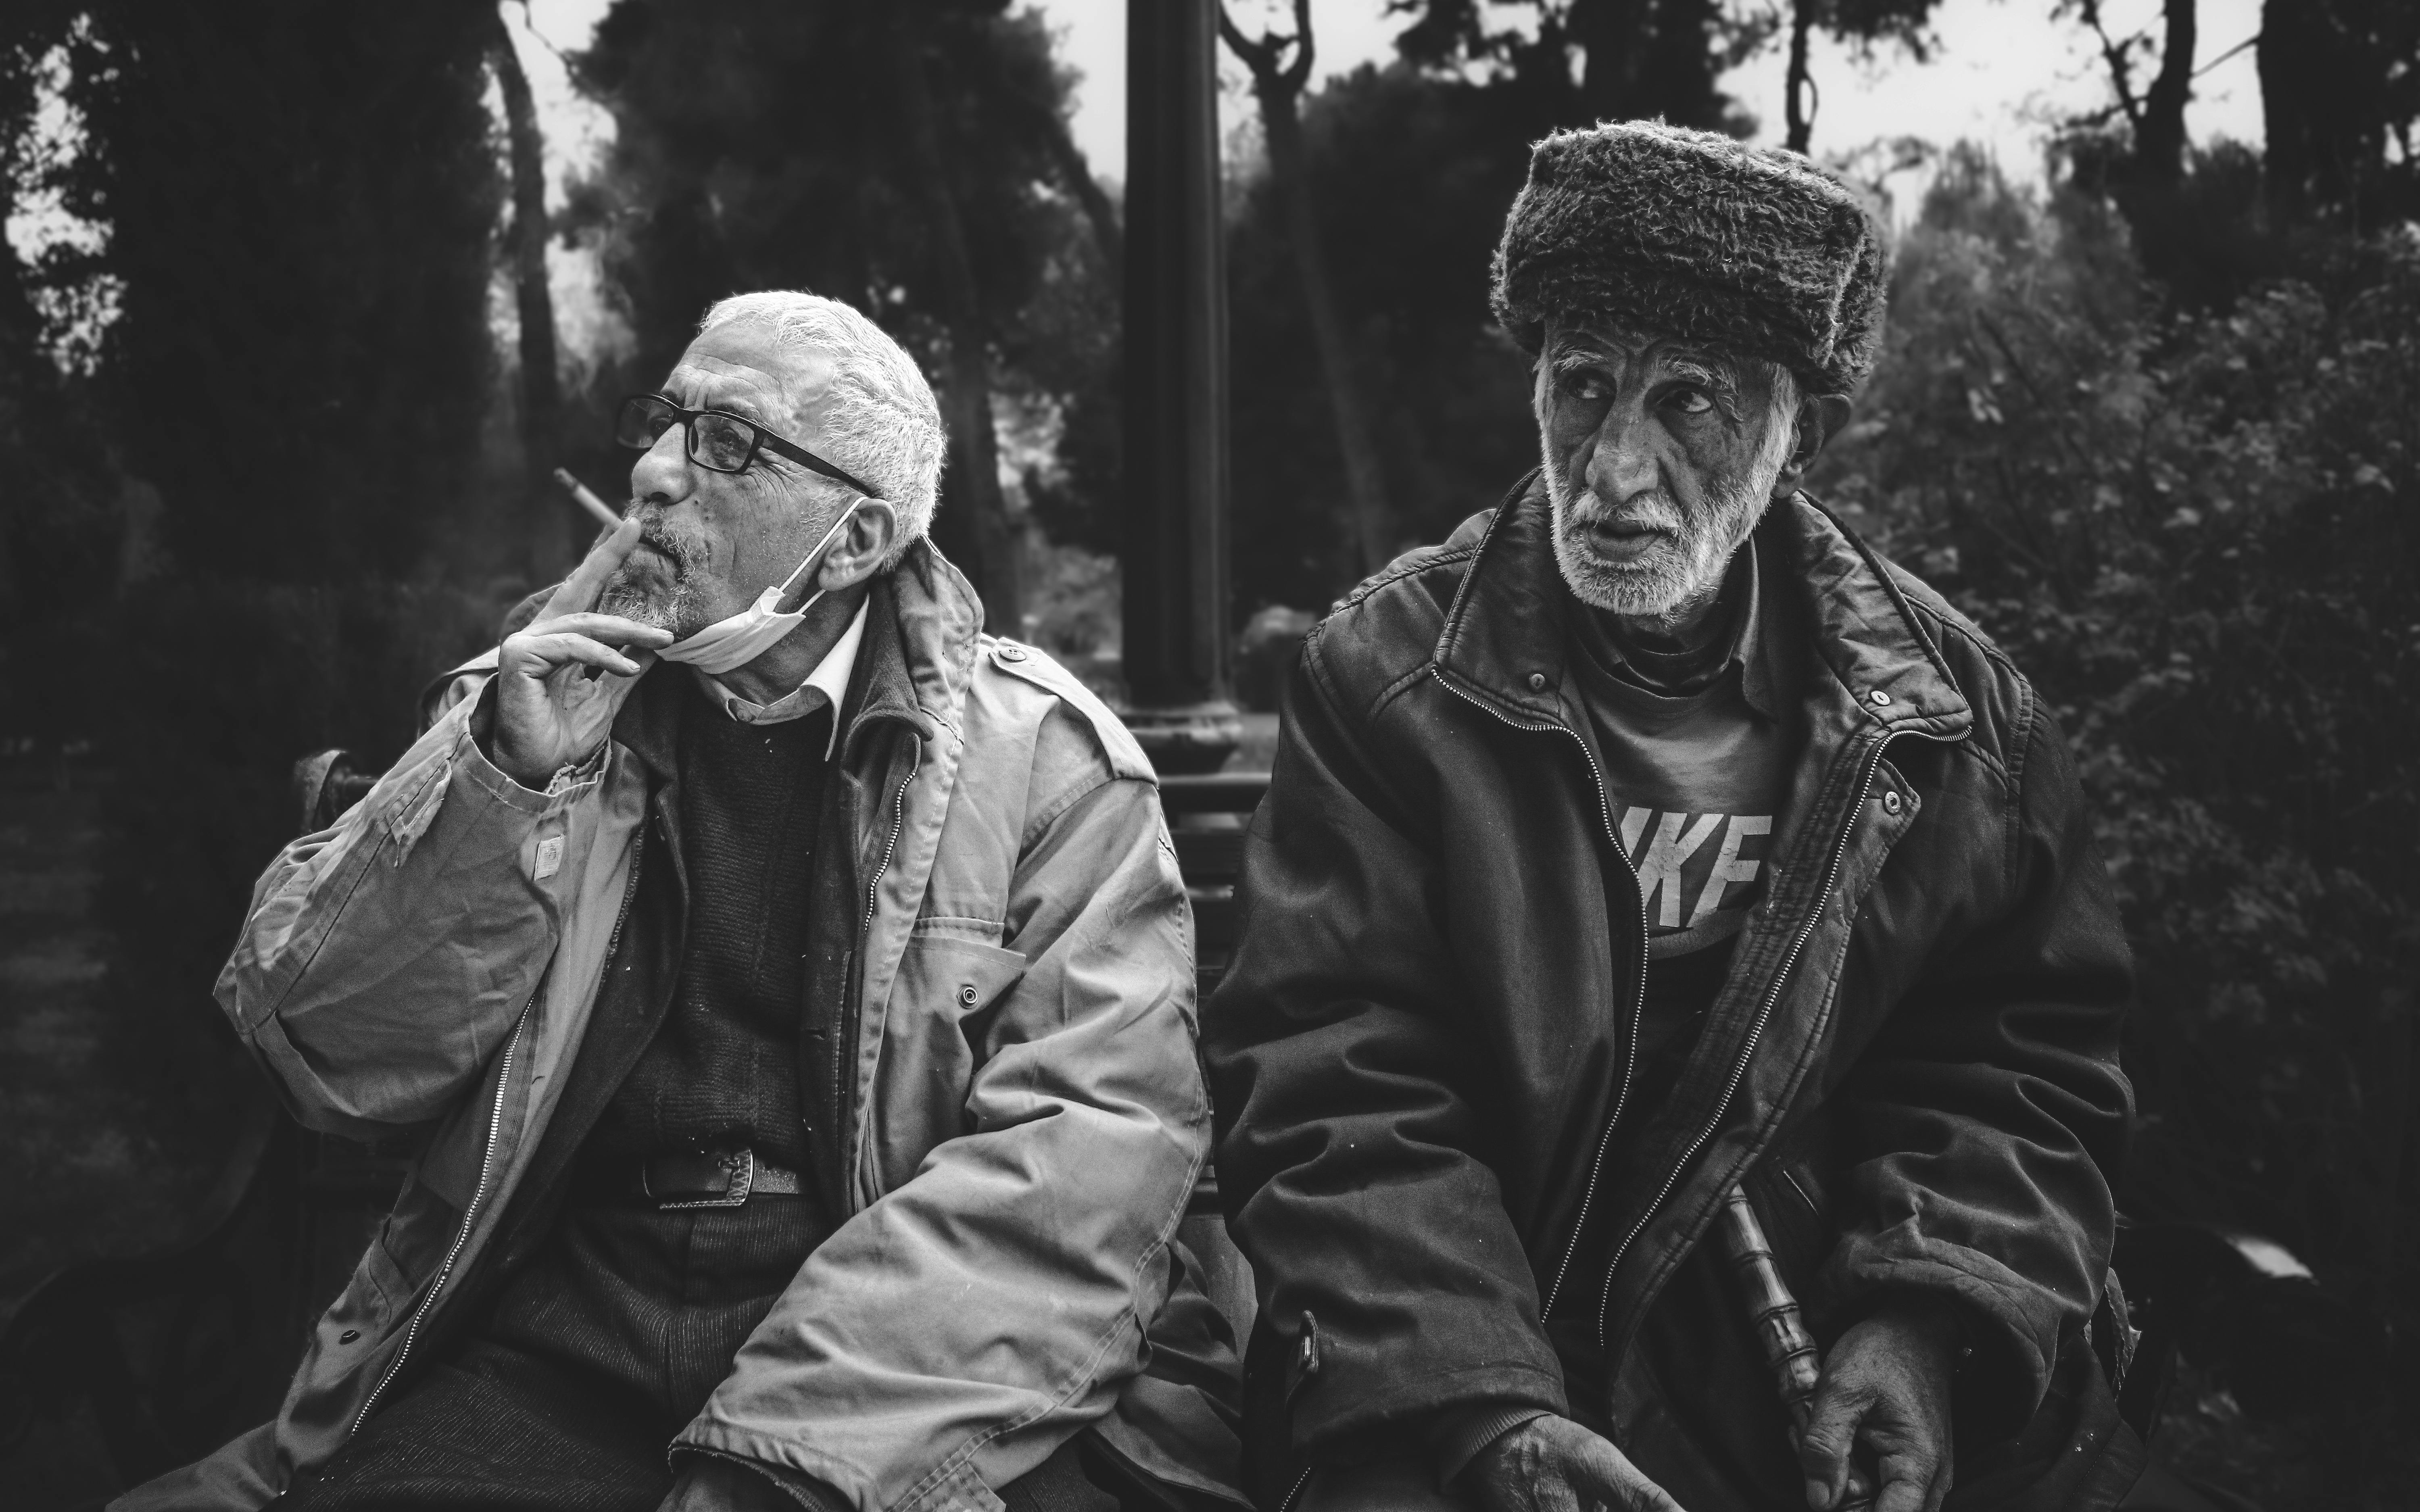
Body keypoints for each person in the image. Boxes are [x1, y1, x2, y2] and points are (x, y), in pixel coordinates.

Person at [119, 292, 1241, 1512]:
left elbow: (1076, 1177)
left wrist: (780, 1464)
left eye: (730, 443)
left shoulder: (1049, 769)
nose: (655, 472)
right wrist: (504, 780)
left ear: (855, 542)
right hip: (560, 1359)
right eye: (666, 423)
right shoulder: (535, 705)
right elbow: (331, 1055)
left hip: (909, 1384)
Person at [1203, 123, 2142, 1512]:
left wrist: (1926, 1320)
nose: (1616, 470)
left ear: (1797, 435)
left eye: (1691, 404)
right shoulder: (1388, 681)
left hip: (1818, 1314)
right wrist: (1480, 1402)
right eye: (1584, 387)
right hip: (1475, 1305)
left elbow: (2021, 1056)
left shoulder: (1955, 721)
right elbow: (1337, 1071)